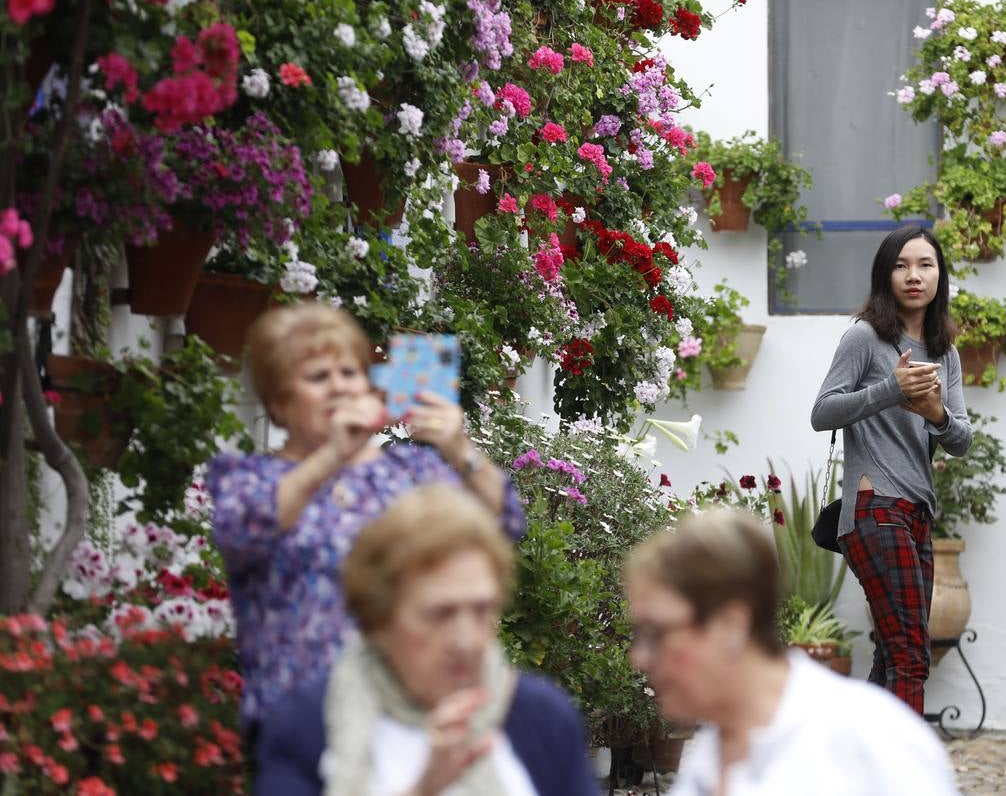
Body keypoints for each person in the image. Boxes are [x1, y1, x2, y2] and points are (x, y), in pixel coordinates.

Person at [206, 303, 525, 743]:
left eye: (350, 374)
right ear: (279, 405)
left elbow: (503, 523)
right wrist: (333, 455)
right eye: (318, 378)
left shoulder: (410, 470)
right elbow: (242, 534)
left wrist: (458, 448)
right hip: (302, 727)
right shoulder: (252, 480)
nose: (339, 388)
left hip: (412, 721)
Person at [254, 485, 596, 796]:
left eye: (481, 610)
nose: (466, 641)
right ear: (378, 619)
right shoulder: (306, 725)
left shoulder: (540, 716)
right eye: (439, 614)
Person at [625, 509, 960, 796]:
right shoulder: (709, 757)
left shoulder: (869, 740)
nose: (639, 657)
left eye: (655, 633)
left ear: (731, 624)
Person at [810, 224, 973, 714]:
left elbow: (961, 439)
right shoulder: (865, 338)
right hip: (874, 506)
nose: (913, 275)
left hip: (917, 512)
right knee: (909, 654)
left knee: (892, 654)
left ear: (940, 276)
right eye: (901, 265)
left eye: (925, 265)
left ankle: (862, 768)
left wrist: (935, 415)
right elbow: (822, 412)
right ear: (885, 276)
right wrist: (891, 389)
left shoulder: (945, 353)